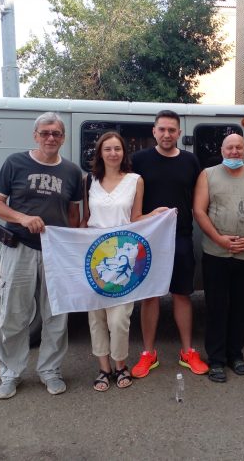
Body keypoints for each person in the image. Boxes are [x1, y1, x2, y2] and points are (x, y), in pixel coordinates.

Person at [0, 112, 82, 399]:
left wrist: (71, 245)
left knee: (56, 315)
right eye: (45, 133)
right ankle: (10, 373)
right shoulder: (15, 162)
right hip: (20, 247)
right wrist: (23, 218)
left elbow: (74, 214)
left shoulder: (72, 171)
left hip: (56, 253)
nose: (50, 138)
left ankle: (50, 370)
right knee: (13, 314)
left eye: (56, 133)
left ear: (63, 138)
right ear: (35, 135)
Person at [80, 132, 167, 392]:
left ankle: (120, 365)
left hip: (122, 256)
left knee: (119, 319)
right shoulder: (89, 180)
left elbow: (135, 217)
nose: (113, 153)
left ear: (123, 152)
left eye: (117, 148)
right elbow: (86, 219)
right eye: (107, 149)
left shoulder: (135, 180)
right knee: (96, 317)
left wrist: (155, 214)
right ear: (100, 152)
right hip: (95, 257)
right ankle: (104, 369)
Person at [130, 110, 209, 378]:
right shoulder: (139, 160)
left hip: (181, 236)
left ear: (179, 133)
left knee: (182, 294)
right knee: (149, 296)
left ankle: (187, 351)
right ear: (154, 132)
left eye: (171, 130)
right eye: (162, 129)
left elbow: (200, 200)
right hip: (147, 239)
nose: (166, 134)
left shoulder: (190, 161)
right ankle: (148, 354)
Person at [193, 133, 244, 383]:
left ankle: (236, 354)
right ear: (222, 150)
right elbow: (199, 210)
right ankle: (216, 359)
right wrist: (220, 239)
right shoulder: (208, 175)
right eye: (230, 147)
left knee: (241, 306)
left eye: (239, 147)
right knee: (217, 307)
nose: (234, 151)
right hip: (216, 253)